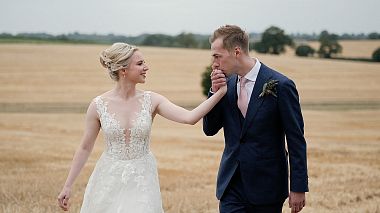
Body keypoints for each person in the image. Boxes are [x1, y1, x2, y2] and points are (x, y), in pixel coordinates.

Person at [57, 42, 227, 213]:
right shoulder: (98, 105)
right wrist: (67, 186)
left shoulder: (152, 100)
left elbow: (189, 118)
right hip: (108, 178)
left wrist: (219, 93)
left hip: (142, 179)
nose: (146, 67)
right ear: (123, 70)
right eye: (140, 64)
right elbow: (85, 147)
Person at [203, 25, 309, 213]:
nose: (214, 63)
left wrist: (298, 187)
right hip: (231, 186)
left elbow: (296, 140)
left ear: (236, 51)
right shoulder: (225, 85)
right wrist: (214, 93)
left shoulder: (281, 85)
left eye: (217, 56)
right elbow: (209, 129)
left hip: (267, 186)